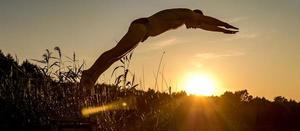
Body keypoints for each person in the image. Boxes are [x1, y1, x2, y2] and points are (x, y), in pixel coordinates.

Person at [80, 8, 238, 91]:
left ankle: (91, 79)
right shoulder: (187, 13)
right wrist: (225, 24)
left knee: (115, 56)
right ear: (195, 16)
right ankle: (88, 73)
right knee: (115, 52)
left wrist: (223, 31)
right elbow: (206, 20)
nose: (194, 27)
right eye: (195, 23)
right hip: (142, 27)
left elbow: (205, 26)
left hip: (143, 30)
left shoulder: (182, 19)